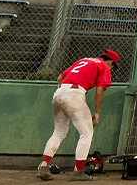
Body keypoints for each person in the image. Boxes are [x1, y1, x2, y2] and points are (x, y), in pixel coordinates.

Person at [36, 50, 119, 182]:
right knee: (86, 133)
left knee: (59, 132)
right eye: (113, 66)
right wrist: (97, 111)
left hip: (59, 92)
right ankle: (78, 172)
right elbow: (99, 90)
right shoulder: (103, 66)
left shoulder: (83, 59)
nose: (112, 68)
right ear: (110, 61)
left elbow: (60, 78)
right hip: (75, 94)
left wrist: (64, 93)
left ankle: (44, 167)